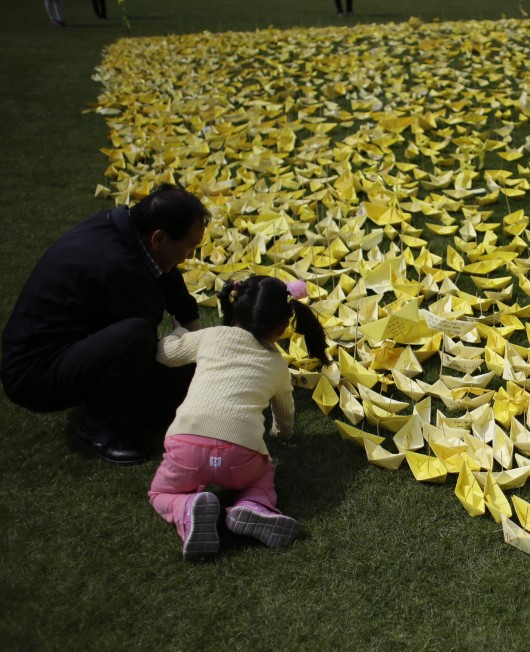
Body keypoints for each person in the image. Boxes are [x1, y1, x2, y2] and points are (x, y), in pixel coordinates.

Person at [0, 185, 209, 465]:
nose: (189, 256)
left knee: (179, 381)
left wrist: (192, 326)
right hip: (34, 376)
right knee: (139, 339)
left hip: (63, 346)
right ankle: (95, 429)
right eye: (190, 245)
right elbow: (143, 340)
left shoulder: (128, 231)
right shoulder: (116, 265)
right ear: (159, 238)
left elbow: (164, 272)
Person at [148, 275, 329, 560]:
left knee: (159, 493)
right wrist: (282, 435)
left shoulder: (211, 337)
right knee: (265, 471)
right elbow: (285, 413)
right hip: (240, 457)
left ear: (233, 308)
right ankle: (253, 504)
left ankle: (187, 508)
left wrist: (178, 333)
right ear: (283, 327)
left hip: (185, 447)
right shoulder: (277, 364)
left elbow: (163, 354)